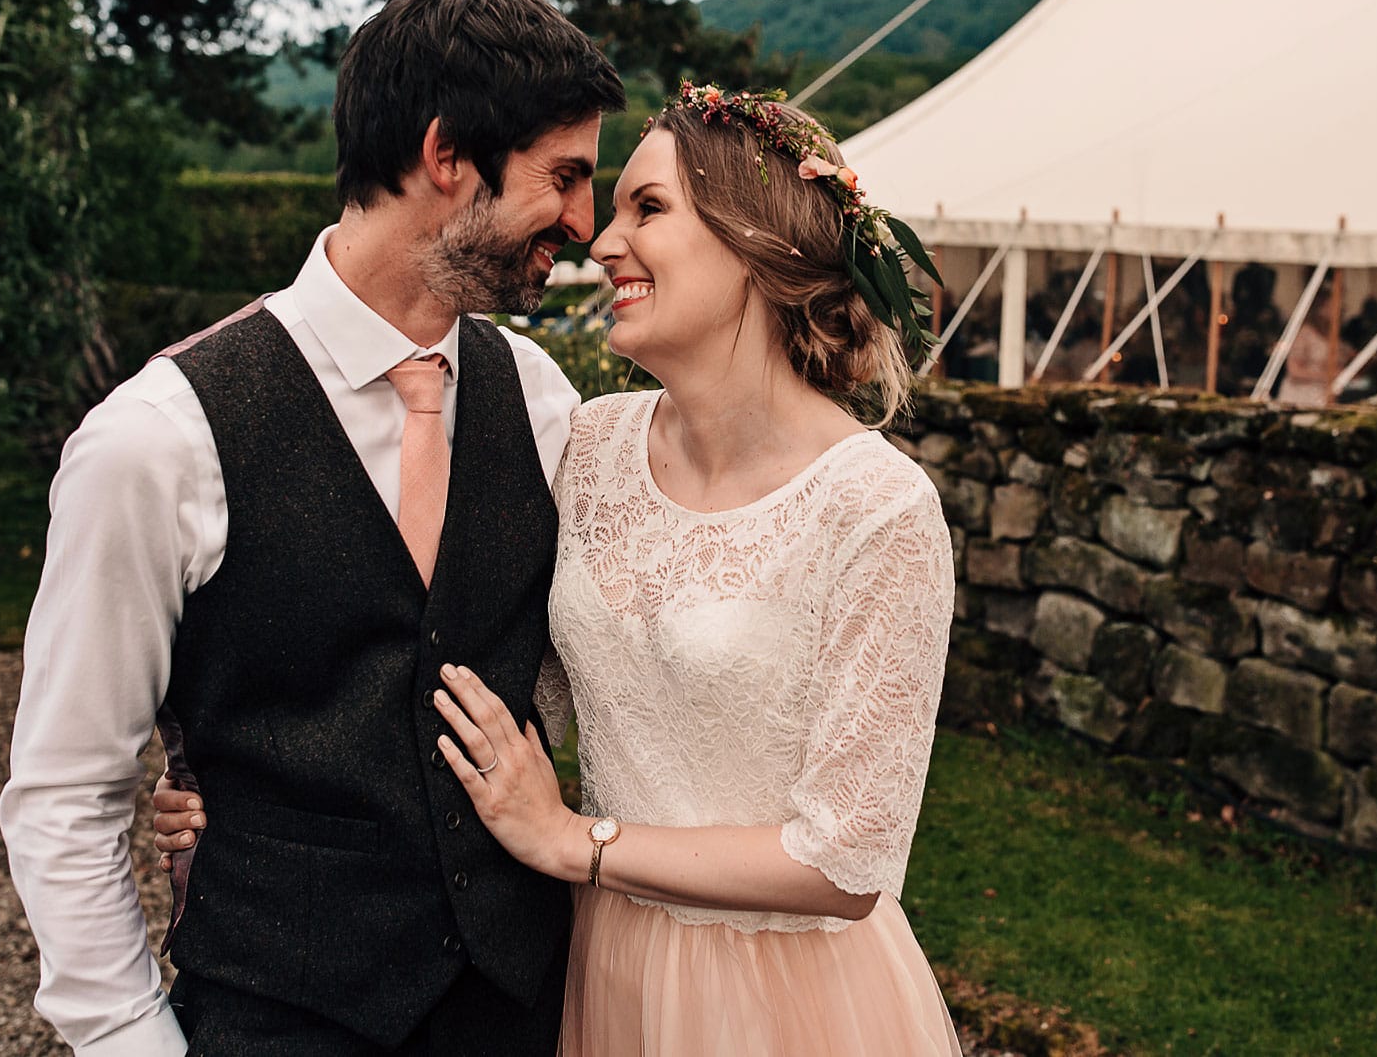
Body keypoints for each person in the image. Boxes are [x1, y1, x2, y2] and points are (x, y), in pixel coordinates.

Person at [159, 84, 963, 1055]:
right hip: (599, 966)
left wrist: (570, 840)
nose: (600, 240)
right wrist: (254, 793)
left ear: (764, 242)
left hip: (783, 993)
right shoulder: (590, 445)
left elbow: (846, 860)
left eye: (646, 208)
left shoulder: (877, 507)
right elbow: (491, 689)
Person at [0, 0, 624, 1055]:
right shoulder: (156, 438)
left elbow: (585, 668)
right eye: (564, 175)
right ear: (445, 157)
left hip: (519, 1010)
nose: (583, 221)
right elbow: (64, 789)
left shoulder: (539, 398)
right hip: (277, 1019)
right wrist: (127, 1038)